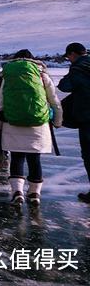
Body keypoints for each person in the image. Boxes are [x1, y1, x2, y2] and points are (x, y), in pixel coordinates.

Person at [0, 49, 62, 206]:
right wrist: (58, 121)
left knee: (17, 158)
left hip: (13, 123)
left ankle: (17, 192)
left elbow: (1, 101)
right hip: (38, 124)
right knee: (35, 159)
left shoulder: (9, 76)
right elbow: (54, 101)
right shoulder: (41, 75)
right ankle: (34, 193)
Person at [57, 42, 90, 203]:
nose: (69, 60)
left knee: (89, 154)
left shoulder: (78, 68)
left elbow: (64, 86)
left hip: (87, 117)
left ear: (72, 54)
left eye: (68, 57)